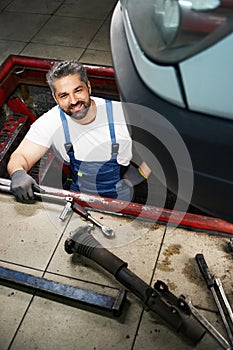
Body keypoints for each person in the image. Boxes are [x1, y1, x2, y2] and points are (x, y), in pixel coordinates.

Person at [7, 60, 151, 202]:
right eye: (64, 95)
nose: (74, 101)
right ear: (55, 98)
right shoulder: (51, 121)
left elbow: (162, 146)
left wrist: (140, 174)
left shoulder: (122, 115)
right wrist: (18, 173)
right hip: (79, 197)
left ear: (88, 87)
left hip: (120, 198)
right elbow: (22, 155)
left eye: (78, 90)